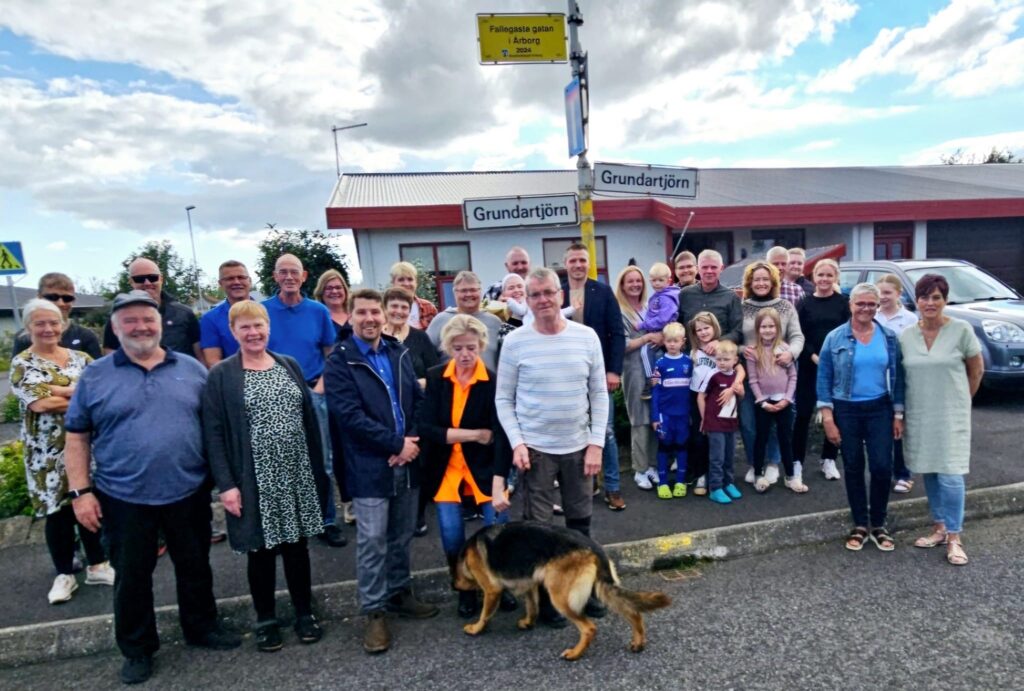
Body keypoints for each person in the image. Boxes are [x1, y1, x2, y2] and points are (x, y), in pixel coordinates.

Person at [65, 290, 240, 685]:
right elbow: (77, 437)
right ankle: (137, 648)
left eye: (148, 320)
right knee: (132, 575)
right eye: (130, 321)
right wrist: (81, 493)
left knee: (195, 565)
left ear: (160, 325)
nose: (140, 327)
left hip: (188, 488)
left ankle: (201, 627)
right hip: (123, 495)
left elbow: (214, 427)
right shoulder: (96, 375)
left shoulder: (192, 369)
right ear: (115, 328)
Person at [202, 301, 329, 653]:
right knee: (260, 551)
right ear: (233, 332)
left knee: (297, 548)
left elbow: (308, 421)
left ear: (268, 327)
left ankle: (304, 614)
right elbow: (213, 433)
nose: (253, 333)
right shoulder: (222, 375)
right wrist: (227, 485)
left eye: (258, 325)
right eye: (245, 327)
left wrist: (318, 471)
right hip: (253, 477)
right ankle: (266, 620)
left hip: (296, 472)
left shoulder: (288, 364)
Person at [324, 288, 437, 655]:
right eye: (362, 312)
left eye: (375, 312)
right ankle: (374, 611)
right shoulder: (340, 361)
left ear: (384, 316)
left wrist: (410, 441)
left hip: (407, 458)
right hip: (369, 465)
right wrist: (395, 444)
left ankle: (400, 592)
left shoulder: (397, 352)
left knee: (401, 534)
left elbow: (419, 400)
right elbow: (349, 417)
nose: (370, 318)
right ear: (351, 316)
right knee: (372, 540)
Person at [496, 266, 609, 623]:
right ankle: (547, 601)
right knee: (540, 530)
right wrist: (517, 443)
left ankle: (585, 590)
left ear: (561, 296)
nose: (543, 299)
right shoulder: (515, 342)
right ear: (526, 300)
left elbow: (599, 393)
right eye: (535, 294)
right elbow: (503, 399)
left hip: (579, 447)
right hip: (537, 450)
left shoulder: (586, 337)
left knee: (580, 525)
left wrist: (596, 444)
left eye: (549, 292)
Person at [10, 299, 112, 605]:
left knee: (90, 503)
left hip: (88, 446)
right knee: (58, 512)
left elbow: (101, 392)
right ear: (28, 328)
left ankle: (98, 565)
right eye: (40, 323)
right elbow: (40, 404)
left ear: (63, 325)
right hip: (46, 453)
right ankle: (64, 573)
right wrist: (76, 392)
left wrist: (56, 389)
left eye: (53, 322)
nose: (48, 329)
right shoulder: (22, 363)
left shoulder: (82, 358)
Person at [418, 315, 515, 617]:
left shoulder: (493, 381)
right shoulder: (436, 377)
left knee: (496, 533)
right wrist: (474, 435)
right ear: (448, 348)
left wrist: (500, 480)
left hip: (485, 468)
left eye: (471, 348)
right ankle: (465, 588)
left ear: (481, 346)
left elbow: (500, 436)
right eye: (458, 348)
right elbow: (427, 428)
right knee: (451, 536)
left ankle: (500, 584)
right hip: (446, 467)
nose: (464, 354)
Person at [262, 254, 345, 548]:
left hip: (313, 392)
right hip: (275, 395)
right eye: (283, 272)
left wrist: (321, 387)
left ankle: (327, 520)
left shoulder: (318, 311)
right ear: (275, 276)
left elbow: (331, 353)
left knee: (322, 461)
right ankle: (289, 523)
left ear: (304, 276)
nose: (289, 277)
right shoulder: (262, 311)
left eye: (294, 272)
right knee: (281, 463)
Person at [816, 283, 905, 553]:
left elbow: (899, 378)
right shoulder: (834, 338)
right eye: (860, 303)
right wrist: (827, 417)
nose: (865, 308)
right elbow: (824, 378)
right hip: (846, 409)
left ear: (877, 306)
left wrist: (898, 413)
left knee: (881, 466)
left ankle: (878, 523)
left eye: (871, 304)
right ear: (851, 305)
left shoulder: (889, 337)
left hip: (880, 408)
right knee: (853, 466)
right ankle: (859, 524)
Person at [902, 275, 984, 566]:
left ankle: (954, 536)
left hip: (951, 413)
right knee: (930, 470)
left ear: (945, 300)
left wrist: (962, 399)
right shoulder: (906, 336)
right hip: (919, 412)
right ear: (916, 301)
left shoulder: (961, 330)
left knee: (951, 474)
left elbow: (976, 370)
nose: (930, 303)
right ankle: (938, 527)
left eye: (936, 297)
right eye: (924, 297)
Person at [560, 243, 625, 507]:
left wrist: (614, 370)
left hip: (599, 374)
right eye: (573, 260)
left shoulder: (603, 291)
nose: (578, 265)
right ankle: (586, 486)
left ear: (589, 263)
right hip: (567, 377)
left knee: (605, 431)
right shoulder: (558, 293)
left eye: (582, 260)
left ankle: (613, 487)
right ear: (566, 264)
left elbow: (617, 333)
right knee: (574, 433)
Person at [381, 286, 441, 536]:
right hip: (385, 413)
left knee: (418, 464)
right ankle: (390, 516)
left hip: (417, 411)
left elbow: (436, 373)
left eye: (404, 306)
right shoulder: (376, 338)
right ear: (385, 308)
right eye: (394, 305)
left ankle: (417, 514)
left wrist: (417, 383)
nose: (399, 310)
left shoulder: (419, 338)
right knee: (388, 463)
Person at [739, 261, 804, 485]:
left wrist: (791, 354)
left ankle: (774, 463)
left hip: (779, 373)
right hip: (750, 374)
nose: (761, 283)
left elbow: (797, 336)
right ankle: (754, 463)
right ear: (750, 282)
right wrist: (742, 350)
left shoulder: (785, 306)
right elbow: (734, 338)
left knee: (778, 424)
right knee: (749, 423)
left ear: (773, 282)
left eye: (765, 279)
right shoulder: (742, 307)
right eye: (756, 279)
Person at [794, 259, 847, 482]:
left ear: (835, 278)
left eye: (829, 275)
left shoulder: (844, 303)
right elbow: (798, 334)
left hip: (837, 366)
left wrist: (834, 359)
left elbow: (848, 332)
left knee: (835, 412)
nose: (824, 279)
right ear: (813, 277)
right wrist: (813, 356)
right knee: (803, 414)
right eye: (820, 275)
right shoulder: (804, 303)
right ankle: (796, 462)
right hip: (810, 364)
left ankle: (829, 459)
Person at [746, 309, 806, 493]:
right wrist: (762, 401)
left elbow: (793, 377)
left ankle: (790, 477)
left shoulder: (785, 350)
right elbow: (753, 380)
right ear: (757, 329)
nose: (767, 330)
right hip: (764, 402)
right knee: (761, 438)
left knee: (785, 439)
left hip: (784, 401)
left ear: (778, 328)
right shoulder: (753, 352)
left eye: (771, 326)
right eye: (763, 326)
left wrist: (787, 399)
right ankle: (758, 475)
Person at [687, 311, 743, 496]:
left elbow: (739, 368)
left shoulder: (722, 348)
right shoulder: (693, 351)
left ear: (715, 328)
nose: (703, 332)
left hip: (718, 398)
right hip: (698, 397)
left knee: (721, 444)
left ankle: (723, 481)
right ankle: (702, 475)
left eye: (707, 328)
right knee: (699, 439)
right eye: (699, 330)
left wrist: (734, 387)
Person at [103, 257, 202, 360]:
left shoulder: (184, 314)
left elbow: (200, 356)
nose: (147, 283)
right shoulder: (117, 317)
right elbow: (110, 357)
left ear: (161, 279)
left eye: (153, 277)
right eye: (140, 279)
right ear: (131, 282)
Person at [614, 266, 657, 498]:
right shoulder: (619, 311)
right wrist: (648, 337)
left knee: (655, 418)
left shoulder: (650, 307)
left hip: (654, 371)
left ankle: (652, 465)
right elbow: (621, 345)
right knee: (639, 419)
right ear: (622, 285)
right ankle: (640, 469)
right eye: (630, 281)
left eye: (638, 281)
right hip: (633, 371)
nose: (635, 285)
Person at [876, 273, 919, 494]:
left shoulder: (910, 319)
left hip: (902, 378)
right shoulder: (873, 317)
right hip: (879, 380)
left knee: (900, 429)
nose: (883, 297)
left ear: (898, 293)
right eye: (880, 293)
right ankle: (885, 472)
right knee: (882, 430)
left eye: (887, 292)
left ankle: (903, 473)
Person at [426, 271, 503, 371]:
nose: (468, 294)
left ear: (480, 291)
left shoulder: (495, 322)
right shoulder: (440, 321)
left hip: (487, 380)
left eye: (473, 290)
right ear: (455, 293)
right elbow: (426, 356)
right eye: (463, 291)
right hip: (450, 380)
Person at [12, 273, 101, 359]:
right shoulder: (24, 337)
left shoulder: (85, 336)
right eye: (52, 297)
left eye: (67, 298)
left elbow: (98, 368)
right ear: (39, 298)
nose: (60, 303)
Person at [698, 340, 744, 504]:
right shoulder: (712, 375)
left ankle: (728, 483)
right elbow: (701, 396)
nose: (722, 363)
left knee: (729, 456)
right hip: (715, 423)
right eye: (719, 359)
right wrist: (704, 419)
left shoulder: (736, 377)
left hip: (731, 423)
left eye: (726, 359)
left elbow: (741, 397)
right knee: (717, 457)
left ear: (735, 360)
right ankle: (715, 488)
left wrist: (741, 392)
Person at [650, 323, 692, 499]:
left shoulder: (689, 362)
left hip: (683, 415)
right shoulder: (659, 363)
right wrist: (655, 416)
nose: (672, 344)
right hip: (665, 415)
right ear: (664, 342)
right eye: (669, 341)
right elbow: (655, 391)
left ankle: (681, 481)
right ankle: (663, 483)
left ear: (683, 341)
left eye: (676, 341)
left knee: (682, 446)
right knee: (664, 447)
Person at [676, 249, 743, 347]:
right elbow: (677, 326)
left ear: (721, 268)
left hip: (720, 354)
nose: (709, 271)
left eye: (713, 267)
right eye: (705, 267)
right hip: (690, 354)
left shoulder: (731, 297)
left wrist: (720, 342)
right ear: (698, 269)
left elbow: (738, 332)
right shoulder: (684, 295)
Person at [199, 260, 253, 367]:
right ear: (220, 284)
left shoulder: (267, 311)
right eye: (230, 279)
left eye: (241, 277)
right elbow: (213, 361)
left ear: (250, 281)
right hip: (235, 376)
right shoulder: (210, 320)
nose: (236, 282)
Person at [389, 261, 438, 330]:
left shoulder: (429, 308)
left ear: (416, 282)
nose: (406, 284)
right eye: (401, 280)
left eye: (410, 279)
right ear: (393, 283)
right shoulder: (384, 309)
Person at [636, 262, 680, 333]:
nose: (657, 283)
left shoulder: (666, 298)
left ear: (668, 281)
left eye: (661, 280)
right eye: (654, 280)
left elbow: (663, 320)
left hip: (664, 333)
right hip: (654, 331)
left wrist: (642, 325)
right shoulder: (657, 295)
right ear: (650, 281)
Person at [314, 269, 351, 337]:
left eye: (338, 287)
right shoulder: (315, 319)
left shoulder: (356, 314)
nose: (334, 291)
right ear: (321, 292)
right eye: (329, 288)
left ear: (345, 290)